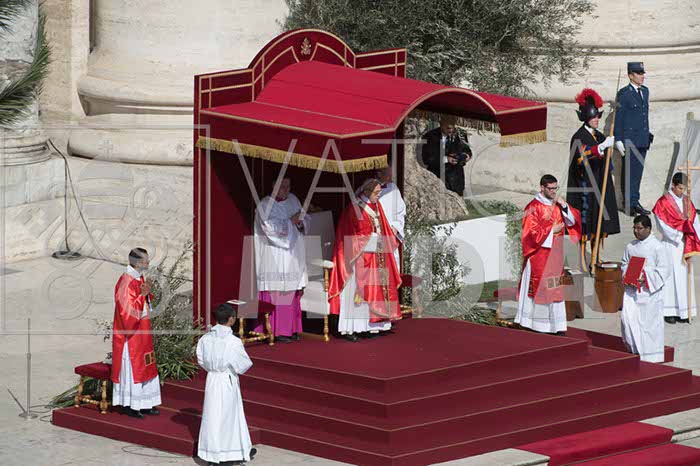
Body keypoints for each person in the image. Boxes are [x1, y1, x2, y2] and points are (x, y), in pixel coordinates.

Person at [328, 179, 402, 342]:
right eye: (376, 193)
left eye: (379, 192)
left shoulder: (376, 206)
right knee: (357, 294)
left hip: (376, 256)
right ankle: (351, 329)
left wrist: (386, 237)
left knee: (376, 291)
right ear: (367, 192)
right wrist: (373, 239)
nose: (379, 196)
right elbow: (349, 237)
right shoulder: (354, 209)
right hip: (357, 260)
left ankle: (372, 326)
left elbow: (383, 228)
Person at [515, 175, 582, 335]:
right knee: (541, 288)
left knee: (555, 288)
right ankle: (536, 324)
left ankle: (556, 325)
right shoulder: (533, 207)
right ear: (542, 188)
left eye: (555, 188)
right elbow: (529, 233)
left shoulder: (557, 204)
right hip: (538, 255)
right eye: (550, 188)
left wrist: (564, 205)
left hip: (555, 256)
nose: (553, 192)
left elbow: (573, 221)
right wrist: (552, 231)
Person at [566, 88, 621, 268]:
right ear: (586, 117)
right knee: (586, 225)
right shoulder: (579, 136)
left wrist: (611, 147)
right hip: (585, 188)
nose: (598, 119)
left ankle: (595, 258)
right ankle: (583, 260)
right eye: (594, 117)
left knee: (599, 223)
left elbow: (606, 160)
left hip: (600, 184)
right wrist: (600, 148)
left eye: (598, 116)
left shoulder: (599, 136)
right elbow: (580, 157)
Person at [197, 303, 257, 466]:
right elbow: (243, 365)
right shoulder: (233, 341)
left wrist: (213, 369)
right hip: (226, 379)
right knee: (228, 416)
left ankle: (213, 454)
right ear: (231, 320)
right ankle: (226, 455)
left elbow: (201, 359)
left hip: (212, 378)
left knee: (212, 416)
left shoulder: (205, 338)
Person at [253, 177, 310, 343]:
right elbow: (270, 229)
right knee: (279, 291)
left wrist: (301, 222)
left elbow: (306, 219)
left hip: (293, 254)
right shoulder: (265, 206)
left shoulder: (293, 200)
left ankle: (292, 328)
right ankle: (277, 330)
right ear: (273, 186)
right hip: (275, 254)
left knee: (291, 291)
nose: (286, 189)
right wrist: (291, 221)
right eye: (282, 186)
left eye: (288, 186)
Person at [111, 248, 161, 419]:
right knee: (135, 368)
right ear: (139, 263)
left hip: (143, 332)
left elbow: (143, 302)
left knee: (146, 365)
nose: (148, 262)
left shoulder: (139, 277)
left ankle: (145, 403)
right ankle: (131, 405)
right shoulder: (125, 282)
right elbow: (127, 313)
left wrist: (147, 294)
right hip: (131, 336)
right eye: (146, 260)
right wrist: (143, 295)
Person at [652, 172, 700, 324]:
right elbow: (661, 224)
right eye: (680, 188)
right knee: (671, 277)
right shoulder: (663, 203)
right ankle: (669, 311)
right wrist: (679, 235)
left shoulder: (687, 201)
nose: (682, 192)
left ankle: (685, 311)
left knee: (685, 276)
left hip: (686, 244)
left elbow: (695, 221)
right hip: (671, 244)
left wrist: (694, 235)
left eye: (684, 189)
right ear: (673, 185)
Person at [621, 215, 669, 362]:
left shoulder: (657, 247)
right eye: (634, 228)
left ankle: (650, 356)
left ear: (648, 229)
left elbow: (664, 270)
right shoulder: (631, 246)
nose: (636, 231)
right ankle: (635, 350)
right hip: (631, 291)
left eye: (640, 228)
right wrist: (627, 276)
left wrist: (645, 277)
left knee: (648, 326)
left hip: (649, 294)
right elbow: (624, 263)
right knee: (628, 321)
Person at [615, 62, 654, 215]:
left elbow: (644, 115)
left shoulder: (645, 91)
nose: (642, 76)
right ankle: (628, 204)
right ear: (630, 75)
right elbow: (619, 117)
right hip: (630, 139)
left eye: (642, 73)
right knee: (629, 173)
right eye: (639, 73)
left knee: (637, 174)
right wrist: (618, 139)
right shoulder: (624, 94)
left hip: (642, 139)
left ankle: (635, 201)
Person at [421, 115, 472, 196]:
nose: (451, 130)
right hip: (437, 179)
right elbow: (426, 159)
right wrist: (446, 159)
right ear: (441, 124)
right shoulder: (430, 136)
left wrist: (465, 156)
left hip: (456, 181)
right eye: (448, 128)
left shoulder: (461, 134)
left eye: (452, 128)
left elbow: (467, 151)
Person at [375, 166, 406, 270]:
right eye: (388, 176)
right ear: (379, 174)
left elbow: (401, 212)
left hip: (390, 233)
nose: (390, 178)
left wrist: (396, 227)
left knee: (391, 268)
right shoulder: (368, 188)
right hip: (375, 235)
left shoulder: (393, 189)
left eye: (391, 176)